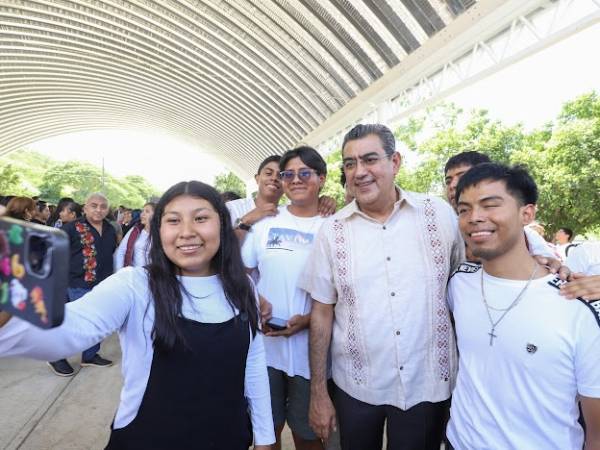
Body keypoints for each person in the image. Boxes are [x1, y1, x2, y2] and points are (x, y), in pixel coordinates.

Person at [0, 181, 275, 449]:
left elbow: (253, 360)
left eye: (201, 218)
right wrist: (8, 315)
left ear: (222, 226)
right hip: (147, 437)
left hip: (228, 436)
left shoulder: (243, 286)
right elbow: (68, 332)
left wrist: (264, 436)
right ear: (158, 230)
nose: (187, 231)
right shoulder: (135, 284)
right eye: (173, 221)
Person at [301, 124, 464, 450]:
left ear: (395, 162)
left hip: (427, 384)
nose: (359, 172)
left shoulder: (439, 216)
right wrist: (319, 391)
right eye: (349, 164)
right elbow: (321, 312)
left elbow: (465, 281)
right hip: (357, 387)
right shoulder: (331, 232)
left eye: (370, 159)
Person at [447, 163, 600, 449]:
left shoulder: (579, 308)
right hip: (460, 441)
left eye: (490, 205)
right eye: (464, 210)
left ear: (526, 213)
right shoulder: (458, 283)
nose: (474, 218)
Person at [243, 147, 327, 450]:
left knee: (309, 433)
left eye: (305, 173)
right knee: (267, 430)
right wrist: (255, 302)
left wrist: (308, 320)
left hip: (311, 354)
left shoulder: (333, 226)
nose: (295, 179)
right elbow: (240, 272)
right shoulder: (266, 223)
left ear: (321, 179)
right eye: (288, 174)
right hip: (266, 349)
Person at [47, 193, 117, 376]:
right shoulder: (72, 228)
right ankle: (56, 356)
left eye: (103, 206)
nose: (98, 209)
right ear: (85, 208)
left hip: (103, 284)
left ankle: (90, 355)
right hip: (77, 283)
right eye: (94, 205)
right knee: (77, 323)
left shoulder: (110, 228)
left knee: (98, 323)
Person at [114, 202, 155, 270]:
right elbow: (121, 250)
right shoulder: (136, 230)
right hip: (132, 274)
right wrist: (120, 271)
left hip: (151, 276)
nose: (142, 214)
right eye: (142, 211)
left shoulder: (161, 234)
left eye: (147, 211)